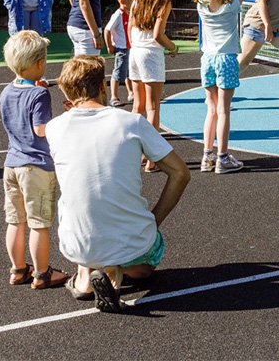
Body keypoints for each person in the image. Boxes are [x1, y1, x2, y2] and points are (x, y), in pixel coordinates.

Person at [46, 55, 190, 313]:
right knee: (146, 267)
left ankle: (84, 275)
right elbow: (180, 173)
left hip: (76, 242)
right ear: (103, 86)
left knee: (72, 196)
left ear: (66, 94)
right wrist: (154, 220)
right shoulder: (132, 123)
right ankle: (116, 271)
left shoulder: (55, 128)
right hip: (131, 241)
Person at [0, 30, 69, 290]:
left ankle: (18, 269)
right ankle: (41, 273)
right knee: (39, 223)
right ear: (40, 64)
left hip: (12, 163)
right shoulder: (40, 95)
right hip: (36, 166)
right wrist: (62, 122)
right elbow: (41, 129)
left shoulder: (6, 92)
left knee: (15, 219)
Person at [194, 0, 249, 173]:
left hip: (207, 59)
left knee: (211, 110)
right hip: (226, 59)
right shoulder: (232, 6)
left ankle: (207, 156)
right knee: (224, 111)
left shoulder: (201, 7)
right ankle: (222, 158)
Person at [129, 0, 178, 170]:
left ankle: (133, 152)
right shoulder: (164, 0)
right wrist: (172, 47)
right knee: (153, 107)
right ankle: (152, 158)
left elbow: (131, 25)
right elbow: (158, 34)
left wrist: (135, 47)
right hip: (150, 54)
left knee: (137, 106)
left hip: (135, 51)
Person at [104, 0, 136, 107]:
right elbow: (107, 30)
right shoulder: (118, 15)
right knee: (118, 72)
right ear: (123, 2)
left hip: (130, 48)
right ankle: (114, 96)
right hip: (121, 49)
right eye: (132, 1)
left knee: (129, 71)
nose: (134, 3)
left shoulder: (130, 13)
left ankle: (131, 93)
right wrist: (110, 46)